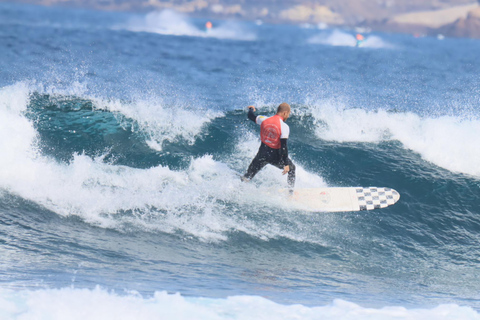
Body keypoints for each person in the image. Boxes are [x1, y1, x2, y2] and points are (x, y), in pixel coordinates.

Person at [242, 103, 296, 189]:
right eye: (288, 114)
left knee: (248, 176)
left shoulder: (264, 119)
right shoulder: (284, 127)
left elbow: (250, 116)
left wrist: (251, 109)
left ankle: (237, 188)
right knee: (292, 168)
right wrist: (286, 164)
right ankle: (290, 194)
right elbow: (283, 147)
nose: (288, 117)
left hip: (262, 154)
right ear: (285, 113)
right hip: (275, 157)